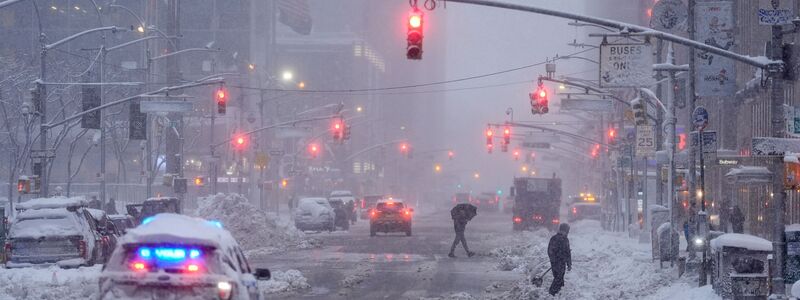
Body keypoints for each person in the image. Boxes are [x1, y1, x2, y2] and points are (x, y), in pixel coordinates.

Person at [547, 223, 572, 296]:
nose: (568, 233)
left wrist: (569, 263)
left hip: (558, 262)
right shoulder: (560, 239)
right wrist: (555, 260)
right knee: (558, 277)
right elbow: (550, 251)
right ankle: (552, 293)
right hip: (558, 262)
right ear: (564, 230)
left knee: (559, 277)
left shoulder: (556, 238)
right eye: (567, 231)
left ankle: (558, 292)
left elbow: (567, 253)